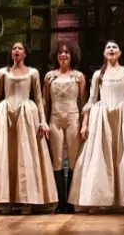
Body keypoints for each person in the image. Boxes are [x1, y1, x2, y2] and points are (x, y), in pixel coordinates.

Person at [0, 41, 57, 213]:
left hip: (26, 114)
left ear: (25, 53)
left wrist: (43, 121)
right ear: (11, 54)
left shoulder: (33, 72)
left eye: (20, 48)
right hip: (5, 114)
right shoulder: (3, 72)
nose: (16, 51)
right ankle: (6, 199)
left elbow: (38, 98)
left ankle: (32, 199)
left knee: (27, 156)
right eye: (14, 49)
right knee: (6, 155)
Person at [68, 40, 124, 210]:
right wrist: (85, 124)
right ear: (104, 53)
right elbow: (91, 100)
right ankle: (99, 200)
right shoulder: (98, 74)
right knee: (100, 156)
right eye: (108, 47)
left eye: (114, 47)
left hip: (123, 117)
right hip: (102, 117)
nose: (111, 49)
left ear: (120, 53)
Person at [42, 40, 86, 213]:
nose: (63, 55)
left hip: (73, 118)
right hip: (55, 118)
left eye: (66, 52)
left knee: (73, 159)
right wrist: (43, 121)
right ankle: (60, 202)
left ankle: (71, 201)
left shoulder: (78, 76)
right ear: (56, 55)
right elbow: (45, 101)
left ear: (72, 55)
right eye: (60, 52)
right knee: (58, 160)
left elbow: (83, 102)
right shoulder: (49, 76)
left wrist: (85, 123)